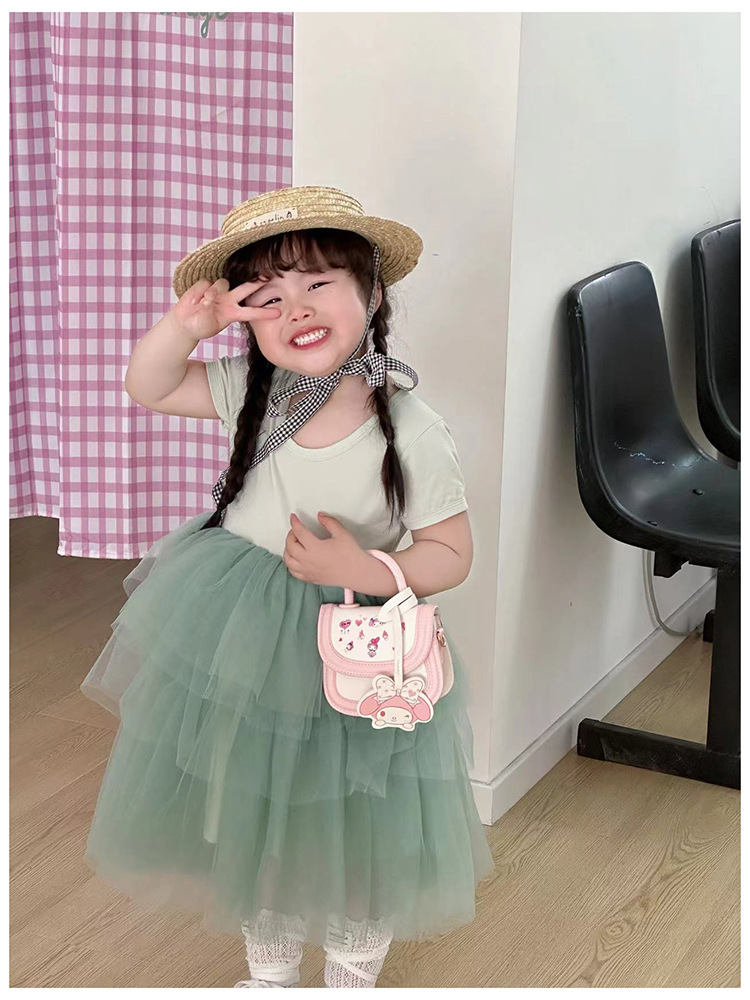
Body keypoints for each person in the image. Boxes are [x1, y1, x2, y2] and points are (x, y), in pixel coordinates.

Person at [80, 186, 495, 988]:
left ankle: (349, 975)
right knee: (255, 807)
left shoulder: (411, 428)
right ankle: (269, 976)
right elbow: (150, 385)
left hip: (357, 643)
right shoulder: (248, 386)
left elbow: (451, 552)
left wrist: (366, 570)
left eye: (318, 284)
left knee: (358, 817)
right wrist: (186, 327)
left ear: (372, 294)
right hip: (245, 630)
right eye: (267, 298)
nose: (295, 309)